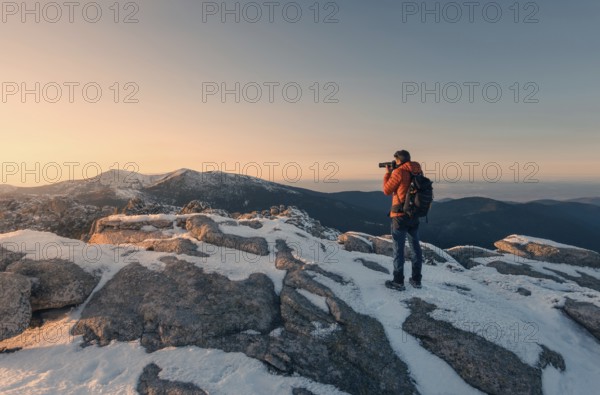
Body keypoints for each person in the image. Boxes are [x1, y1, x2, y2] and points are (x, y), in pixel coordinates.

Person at [383, 150, 423, 290]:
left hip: (400, 216)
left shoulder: (398, 172)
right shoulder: (417, 171)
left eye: (395, 160)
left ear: (399, 160)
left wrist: (388, 173)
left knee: (398, 249)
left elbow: (387, 191)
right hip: (414, 214)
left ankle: (398, 281)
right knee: (415, 246)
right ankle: (416, 280)